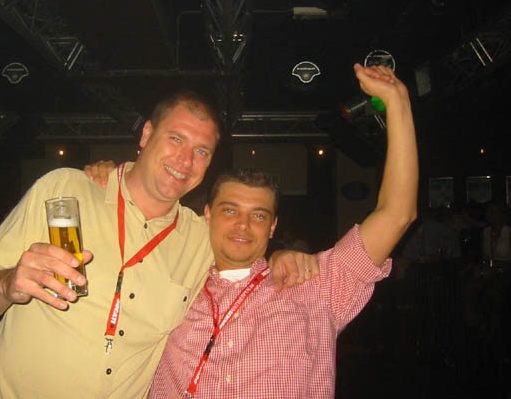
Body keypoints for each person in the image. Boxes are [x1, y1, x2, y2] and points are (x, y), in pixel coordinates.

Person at [0, 91, 318, 398]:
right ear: (147, 134)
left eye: (202, 151)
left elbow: (245, 248)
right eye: (175, 139)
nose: (185, 161)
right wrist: (6, 285)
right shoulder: (65, 189)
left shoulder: (200, 238)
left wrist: (281, 255)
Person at [148, 63, 418, 398]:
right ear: (207, 215)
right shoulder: (173, 290)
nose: (243, 225)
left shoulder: (315, 285)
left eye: (259, 216)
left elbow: (397, 214)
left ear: (273, 225)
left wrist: (397, 102)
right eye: (229, 210)